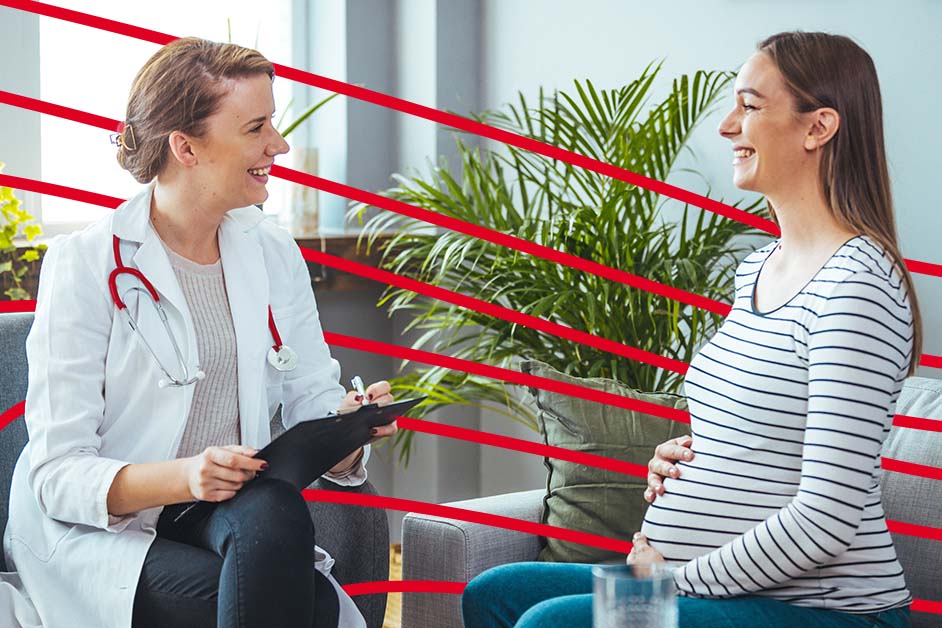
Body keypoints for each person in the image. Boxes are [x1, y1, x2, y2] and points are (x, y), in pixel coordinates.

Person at [462, 31, 919, 628]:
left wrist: (671, 581)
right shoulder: (759, 267)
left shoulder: (858, 283)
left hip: (820, 608)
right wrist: (687, 463)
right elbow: (760, 435)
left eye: (750, 106)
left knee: (550, 623)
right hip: (718, 587)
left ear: (818, 127)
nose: (728, 126)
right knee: (497, 593)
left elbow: (827, 517)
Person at [2, 37, 396, 628]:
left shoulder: (270, 249)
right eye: (256, 127)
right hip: (107, 528)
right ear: (184, 147)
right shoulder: (87, 263)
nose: (279, 144)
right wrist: (188, 474)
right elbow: (58, 474)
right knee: (306, 605)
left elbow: (311, 398)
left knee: (275, 508)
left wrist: (347, 428)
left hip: (226, 506)